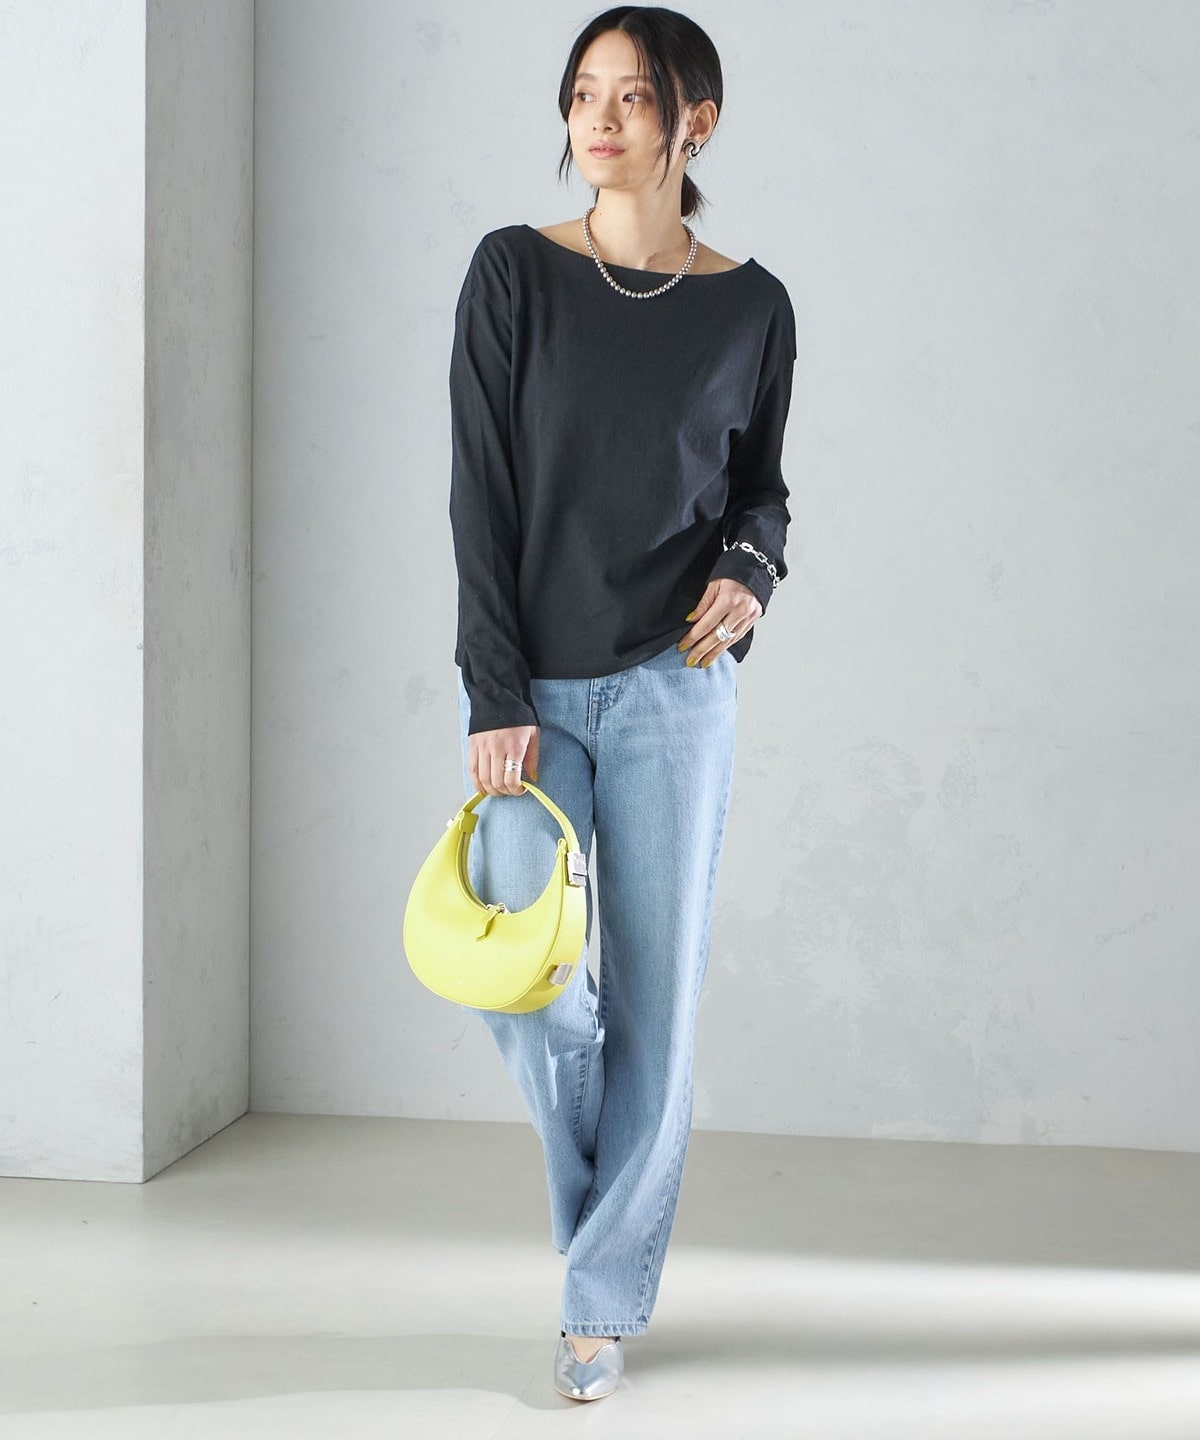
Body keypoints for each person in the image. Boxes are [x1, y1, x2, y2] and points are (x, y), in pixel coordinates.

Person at [447, 4, 796, 1403]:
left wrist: (754, 569)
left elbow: (761, 490)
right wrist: (493, 688)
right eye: (583, 92)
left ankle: (597, 1302)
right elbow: (479, 499)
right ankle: (609, 1211)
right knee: (532, 988)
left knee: (660, 1005)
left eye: (633, 96)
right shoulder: (512, 275)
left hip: (674, 692)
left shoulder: (752, 306)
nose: (598, 118)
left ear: (692, 123)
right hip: (530, 690)